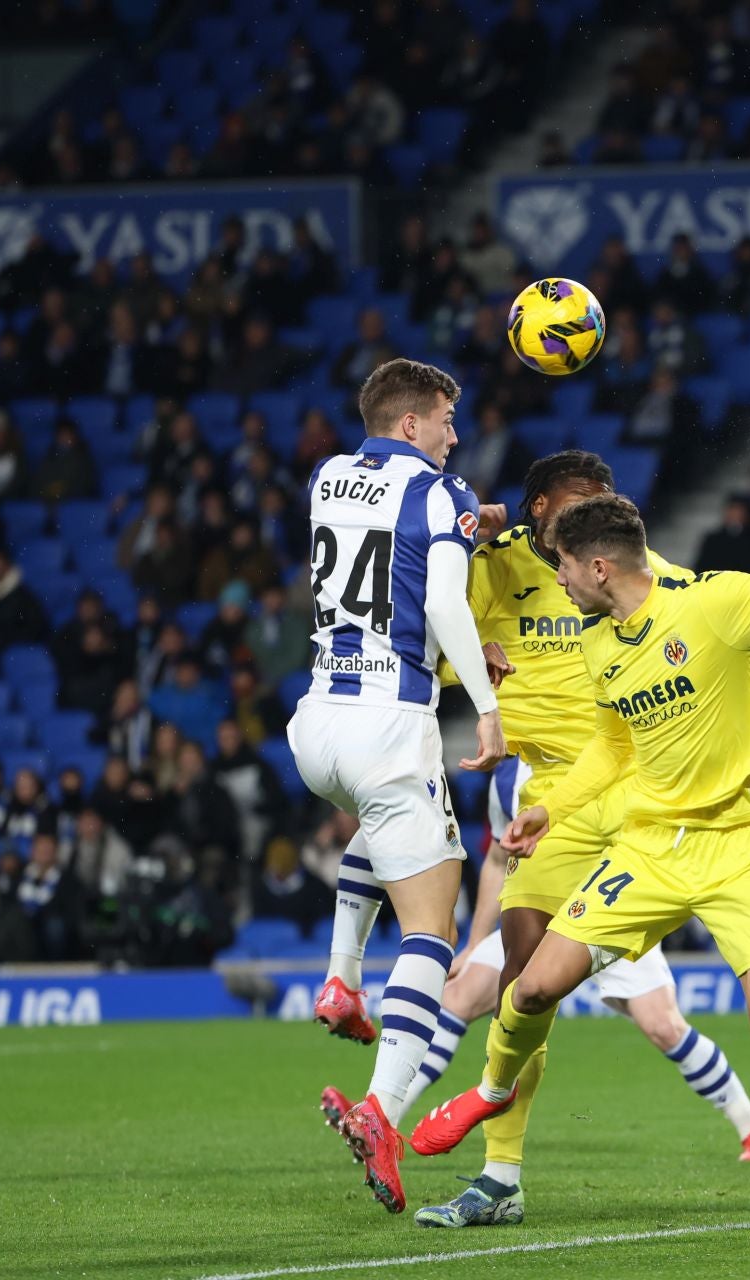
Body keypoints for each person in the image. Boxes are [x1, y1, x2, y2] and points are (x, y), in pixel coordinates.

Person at [373, 453, 750, 1230]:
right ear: (541, 509)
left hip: (675, 807)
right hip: (576, 802)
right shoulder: (496, 573)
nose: (594, 513)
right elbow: (426, 624)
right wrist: (468, 663)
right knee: (524, 984)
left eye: (601, 504)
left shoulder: (655, 588)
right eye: (580, 503)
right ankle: (499, 1170)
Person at [288, 358, 508, 1214]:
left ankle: (343, 977)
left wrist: (468, 521)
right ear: (413, 422)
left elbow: (391, 552)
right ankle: (382, 1111)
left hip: (318, 725)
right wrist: (484, 705)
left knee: (380, 830)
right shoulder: (441, 491)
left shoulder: (328, 476)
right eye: (447, 420)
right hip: (392, 728)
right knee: (432, 931)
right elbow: (443, 602)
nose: (456, 435)